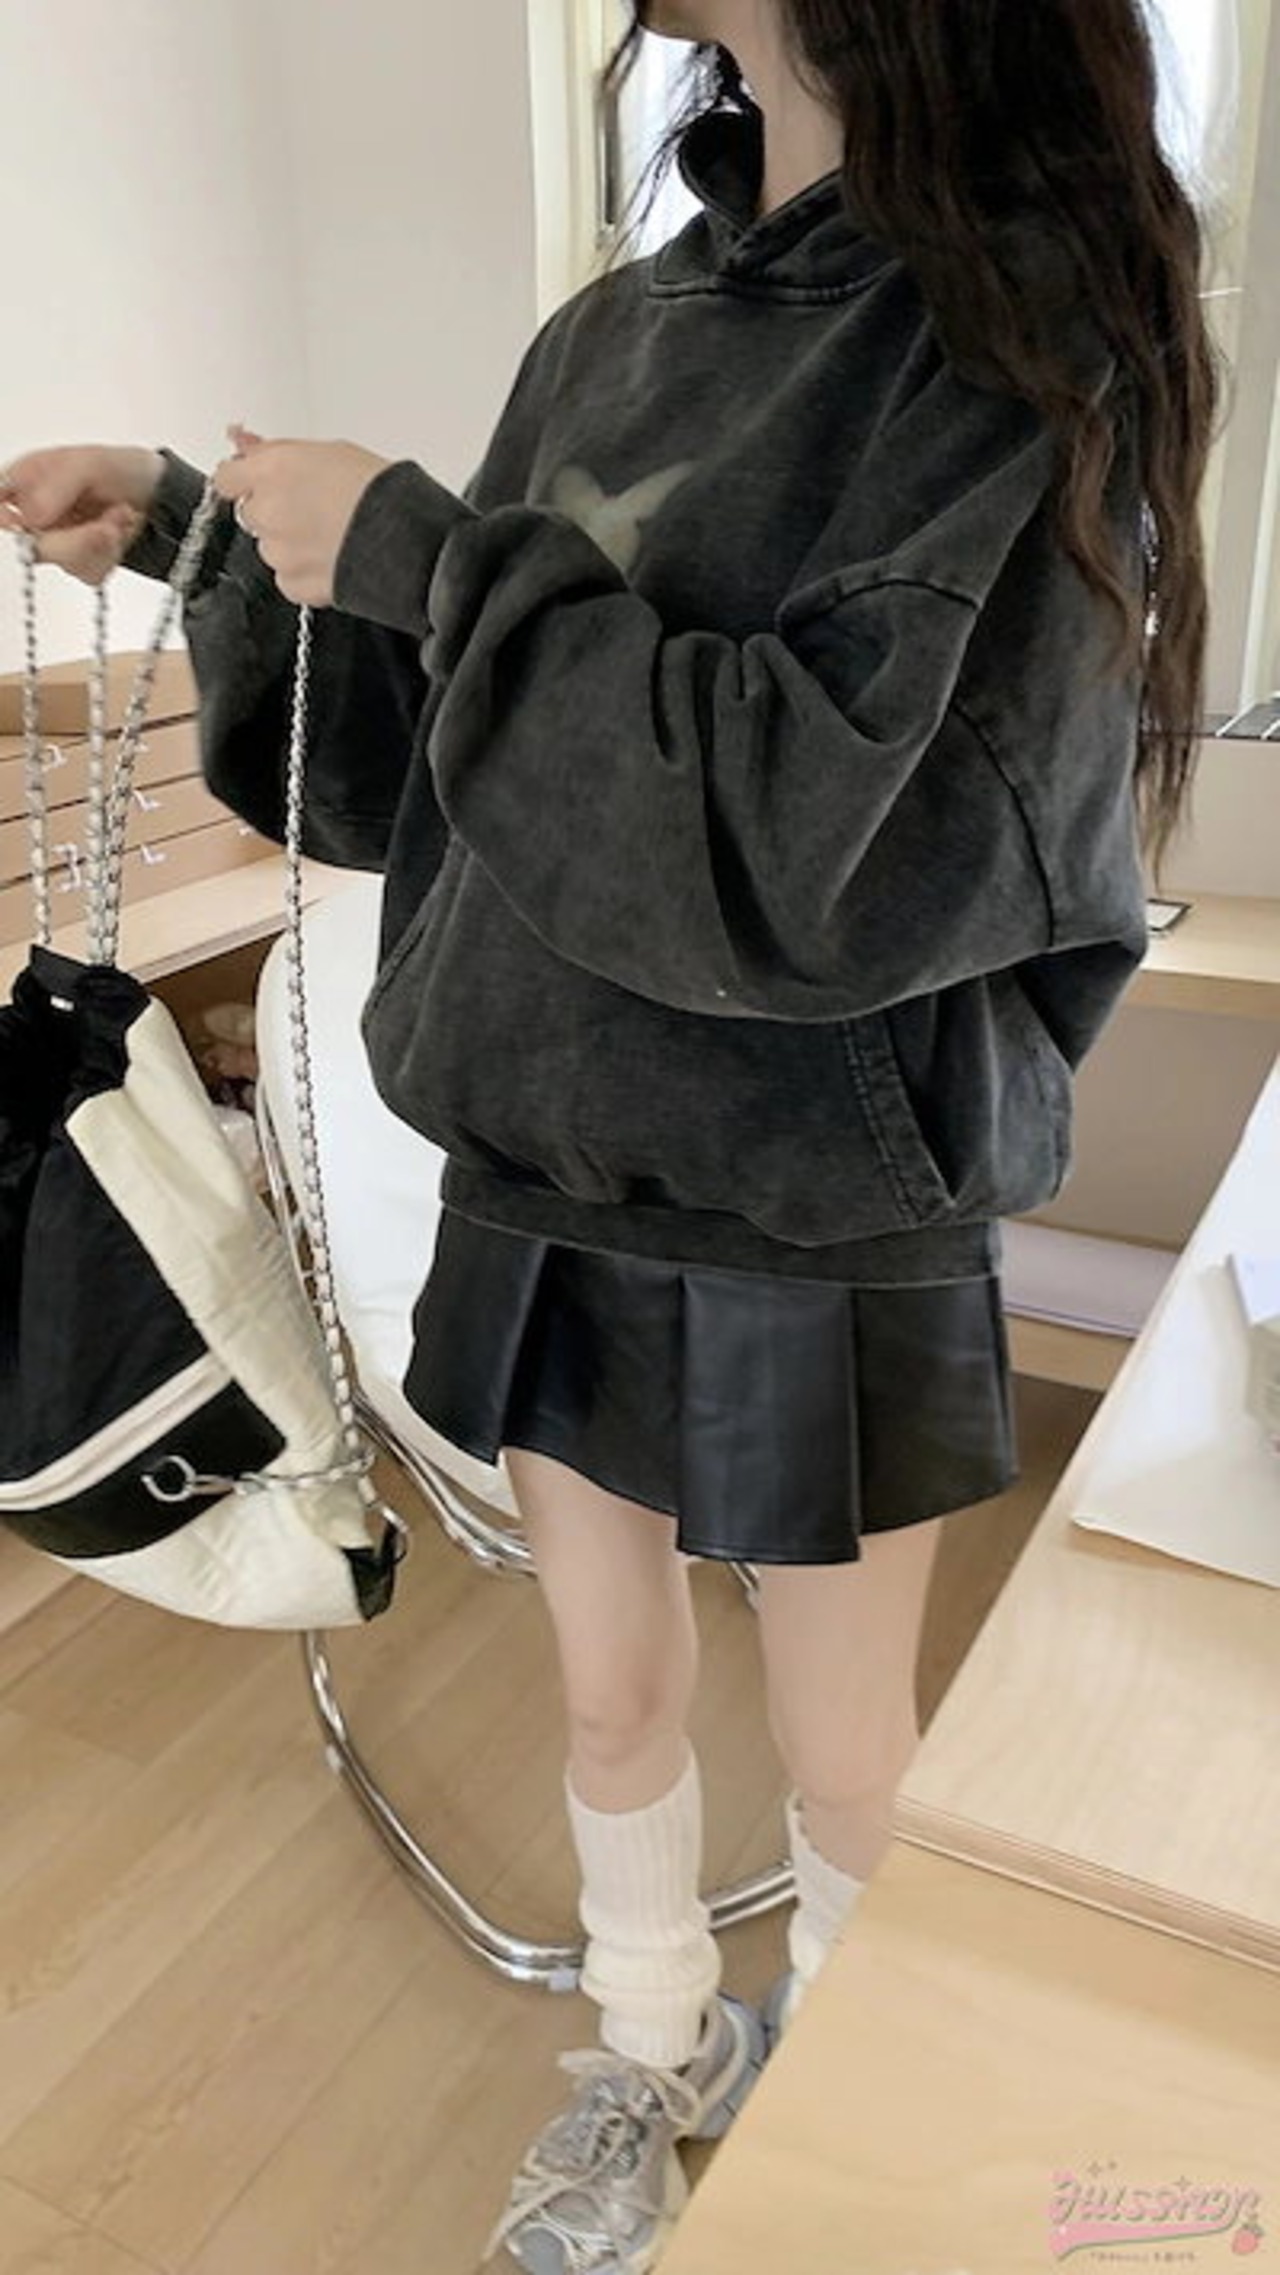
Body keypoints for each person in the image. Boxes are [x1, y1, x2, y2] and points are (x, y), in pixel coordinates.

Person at [0, 2, 1221, 2267]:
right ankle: (653, 2052)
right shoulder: (611, 334)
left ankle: (846, 2111)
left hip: (816, 1189)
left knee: (848, 1750)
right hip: (550, 1157)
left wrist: (431, 550)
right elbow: (444, 759)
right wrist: (205, 532)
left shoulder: (1019, 340)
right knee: (606, 1683)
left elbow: (821, 843)